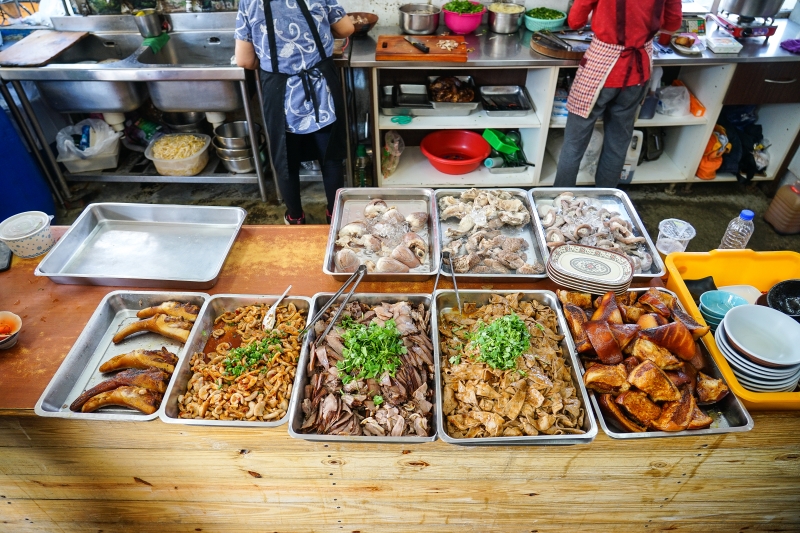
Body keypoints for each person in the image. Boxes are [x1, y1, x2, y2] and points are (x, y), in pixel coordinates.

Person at [235, 0, 354, 225]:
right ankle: (335, 215)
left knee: (285, 159)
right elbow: (346, 28)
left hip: (280, 92)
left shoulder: (248, 2)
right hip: (321, 87)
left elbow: (245, 60)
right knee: (331, 158)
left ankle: (295, 217)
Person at [555, 0, 681, 188]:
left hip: (600, 68)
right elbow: (672, 24)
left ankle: (560, 199)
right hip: (638, 72)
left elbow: (575, 21)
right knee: (617, 144)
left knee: (574, 143)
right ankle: (606, 199)